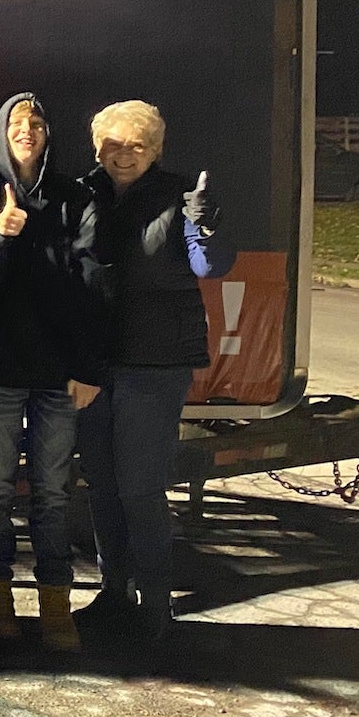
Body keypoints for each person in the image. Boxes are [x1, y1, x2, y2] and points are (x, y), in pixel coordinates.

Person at [76, 99, 230, 644]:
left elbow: (207, 266)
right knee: (101, 484)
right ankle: (114, 591)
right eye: (113, 144)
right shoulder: (84, 192)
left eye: (136, 145)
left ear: (155, 151)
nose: (122, 155)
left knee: (139, 485)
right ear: (98, 147)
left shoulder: (180, 196)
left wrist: (205, 226)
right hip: (94, 363)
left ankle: (156, 604)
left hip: (154, 364)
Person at [0, 93, 97, 651]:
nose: (27, 131)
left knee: (51, 493)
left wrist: (88, 366)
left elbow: (94, 284)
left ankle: (55, 604)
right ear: (1, 134)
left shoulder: (75, 197)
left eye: (36, 124)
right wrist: (0, 233)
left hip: (59, 375)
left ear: (47, 135)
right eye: (16, 123)